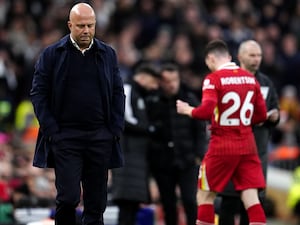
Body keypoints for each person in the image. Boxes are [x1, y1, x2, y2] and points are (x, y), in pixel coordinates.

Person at [29, 3, 125, 225]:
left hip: (99, 137)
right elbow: (38, 93)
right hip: (66, 138)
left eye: (90, 25)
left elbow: (118, 93)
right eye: (81, 26)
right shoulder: (52, 54)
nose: (86, 30)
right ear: (70, 25)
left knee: (96, 202)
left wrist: (114, 130)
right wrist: (52, 130)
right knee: (68, 197)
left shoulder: (108, 54)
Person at [176, 39, 268, 225]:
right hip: (248, 146)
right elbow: (261, 115)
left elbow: (206, 110)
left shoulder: (214, 79)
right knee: (251, 199)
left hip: (222, 146)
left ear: (210, 59)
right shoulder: (251, 78)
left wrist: (187, 110)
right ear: (229, 57)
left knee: (205, 196)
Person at [218, 40, 280, 225]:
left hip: (257, 152)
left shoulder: (266, 83)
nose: (257, 59)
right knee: (229, 202)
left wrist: (275, 117)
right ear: (240, 56)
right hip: (232, 150)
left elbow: (275, 108)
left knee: (252, 204)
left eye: (259, 55)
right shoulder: (227, 80)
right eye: (252, 55)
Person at [147, 63, 207, 225]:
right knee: (168, 204)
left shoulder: (189, 98)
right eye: (167, 81)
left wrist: (199, 155)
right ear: (160, 82)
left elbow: (200, 128)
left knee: (190, 200)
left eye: (175, 80)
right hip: (162, 163)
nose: (172, 84)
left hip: (187, 161)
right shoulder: (153, 101)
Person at [110, 63, 160, 225]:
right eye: (153, 82)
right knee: (126, 206)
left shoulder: (140, 95)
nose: (154, 87)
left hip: (136, 158)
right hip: (127, 155)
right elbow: (124, 120)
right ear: (143, 77)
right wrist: (149, 128)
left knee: (132, 206)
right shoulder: (127, 90)